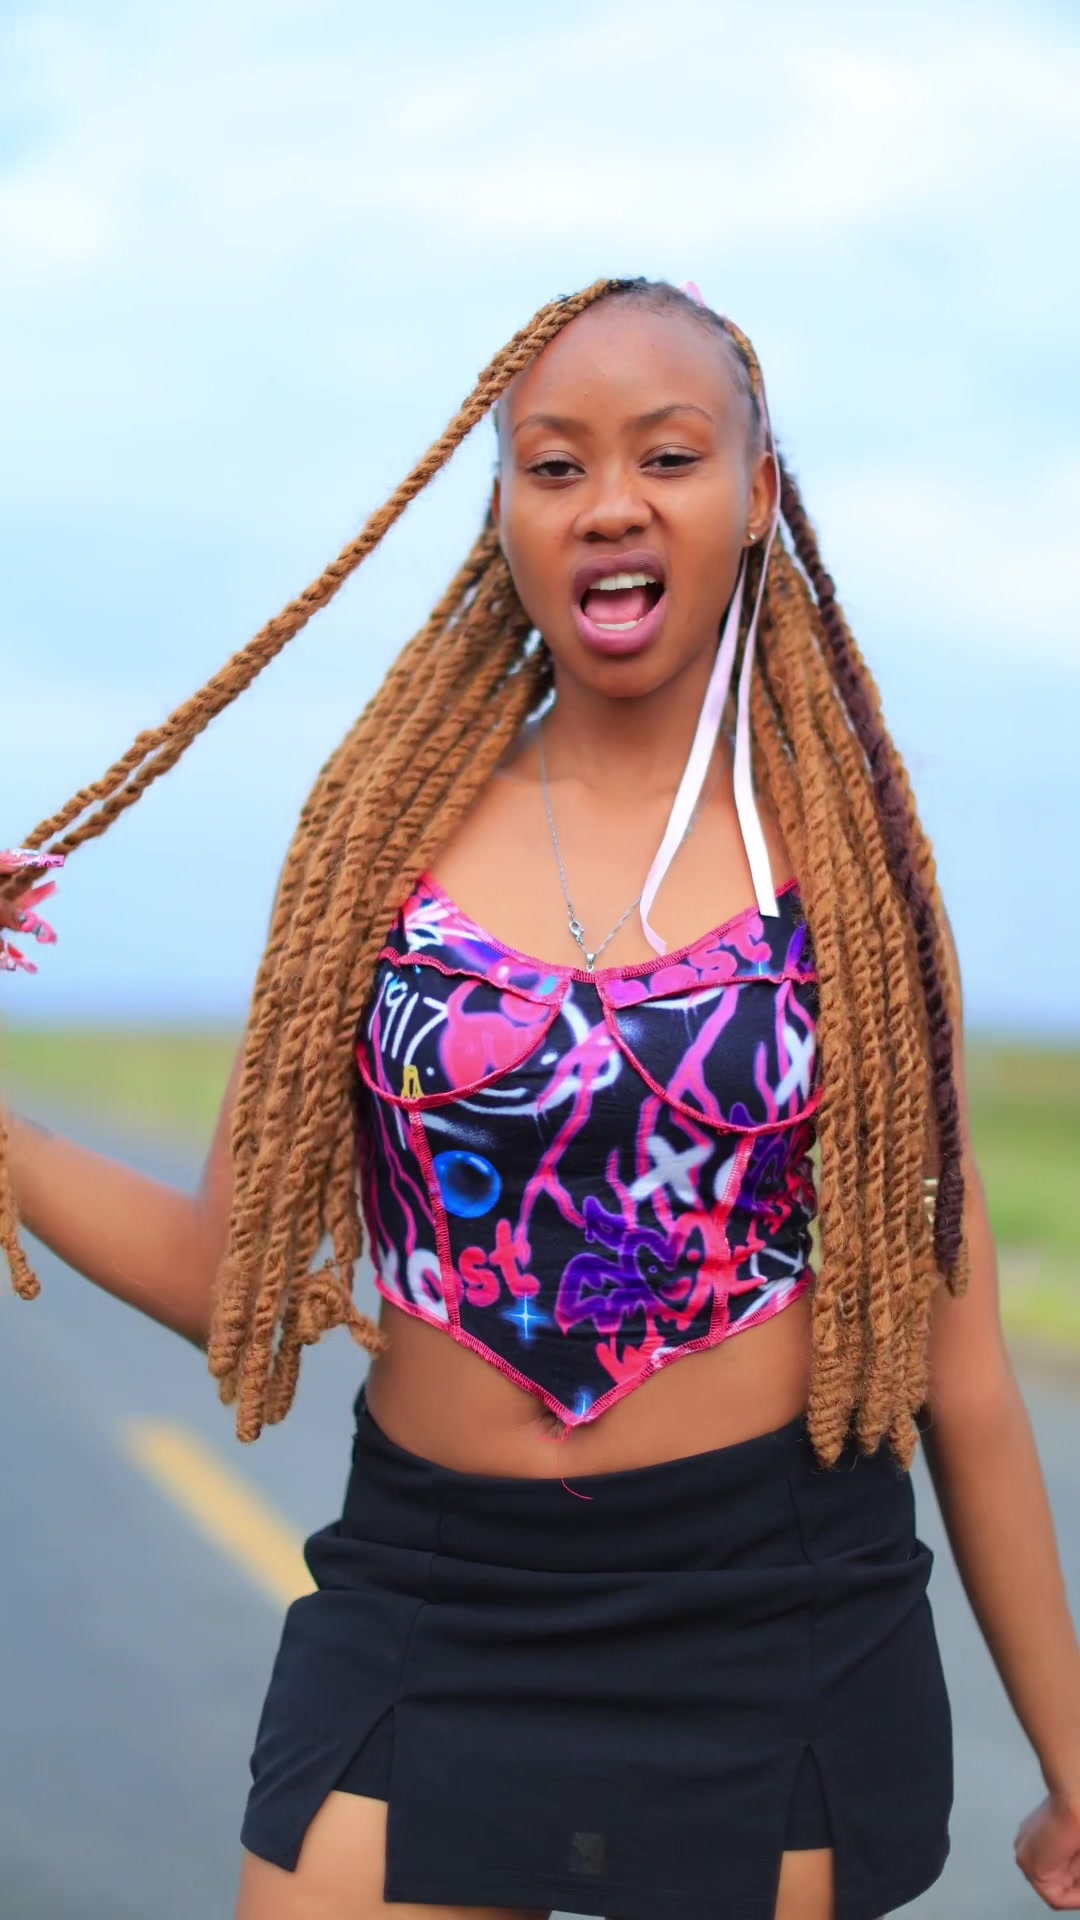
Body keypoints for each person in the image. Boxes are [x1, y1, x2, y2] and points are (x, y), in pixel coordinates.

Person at [2, 275, 1078, 1920]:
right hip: (429, 1605)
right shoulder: (378, 846)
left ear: (757, 497)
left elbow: (962, 1371)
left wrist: (1074, 1767)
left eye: (669, 455)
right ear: (502, 512)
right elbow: (231, 1277)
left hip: (767, 1619)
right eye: (555, 464)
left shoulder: (847, 879)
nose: (611, 503)